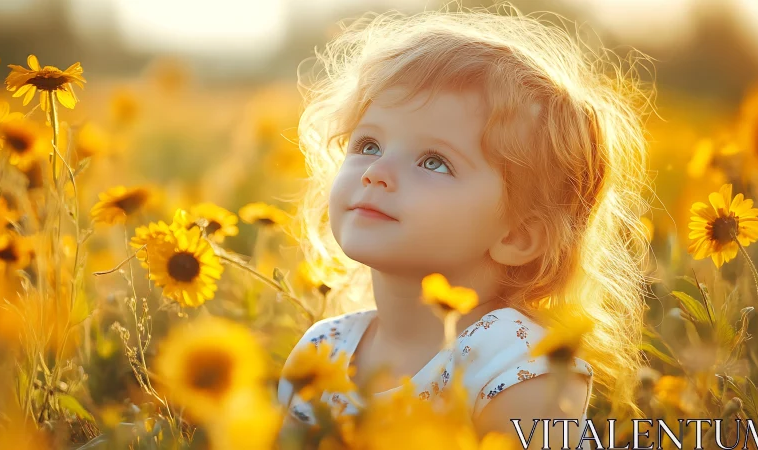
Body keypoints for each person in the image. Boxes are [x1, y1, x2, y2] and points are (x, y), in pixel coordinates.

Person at [277, 2, 654, 447]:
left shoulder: (519, 365)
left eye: (433, 162)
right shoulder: (323, 348)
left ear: (516, 235)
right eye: (369, 143)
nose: (375, 172)